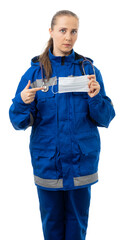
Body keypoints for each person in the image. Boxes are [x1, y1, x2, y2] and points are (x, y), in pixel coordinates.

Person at [9, 10, 115, 240]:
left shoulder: (89, 71)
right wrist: (22, 102)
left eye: (73, 31)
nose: (68, 37)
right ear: (51, 32)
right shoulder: (36, 73)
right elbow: (17, 122)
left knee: (77, 226)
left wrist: (95, 97)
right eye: (63, 30)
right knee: (52, 226)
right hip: (48, 165)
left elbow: (105, 118)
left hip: (80, 165)